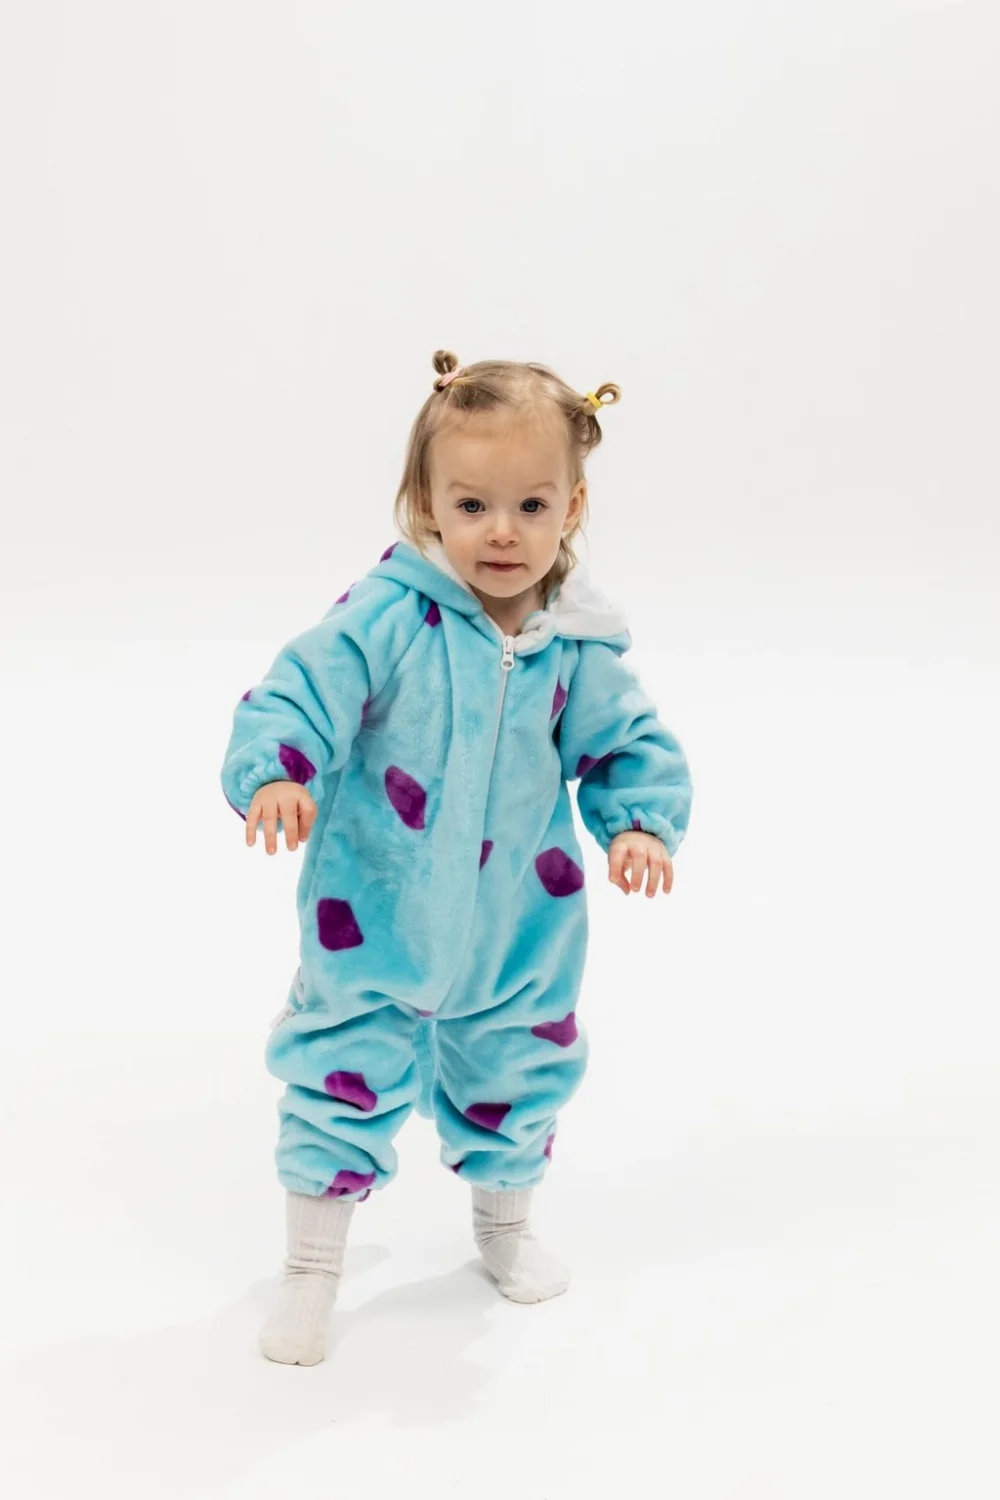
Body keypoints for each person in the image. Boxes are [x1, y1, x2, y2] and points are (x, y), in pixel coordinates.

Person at [220, 350, 694, 1365]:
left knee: (521, 1069)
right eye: (472, 505)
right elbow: (304, 685)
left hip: (519, 925)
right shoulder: (392, 616)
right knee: (340, 1075)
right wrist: (279, 769)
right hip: (374, 916)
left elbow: (625, 742)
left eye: (531, 505)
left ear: (571, 508)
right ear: (426, 506)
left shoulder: (576, 642)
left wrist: (639, 820)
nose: (501, 531)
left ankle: (504, 1227)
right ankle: (311, 1267)